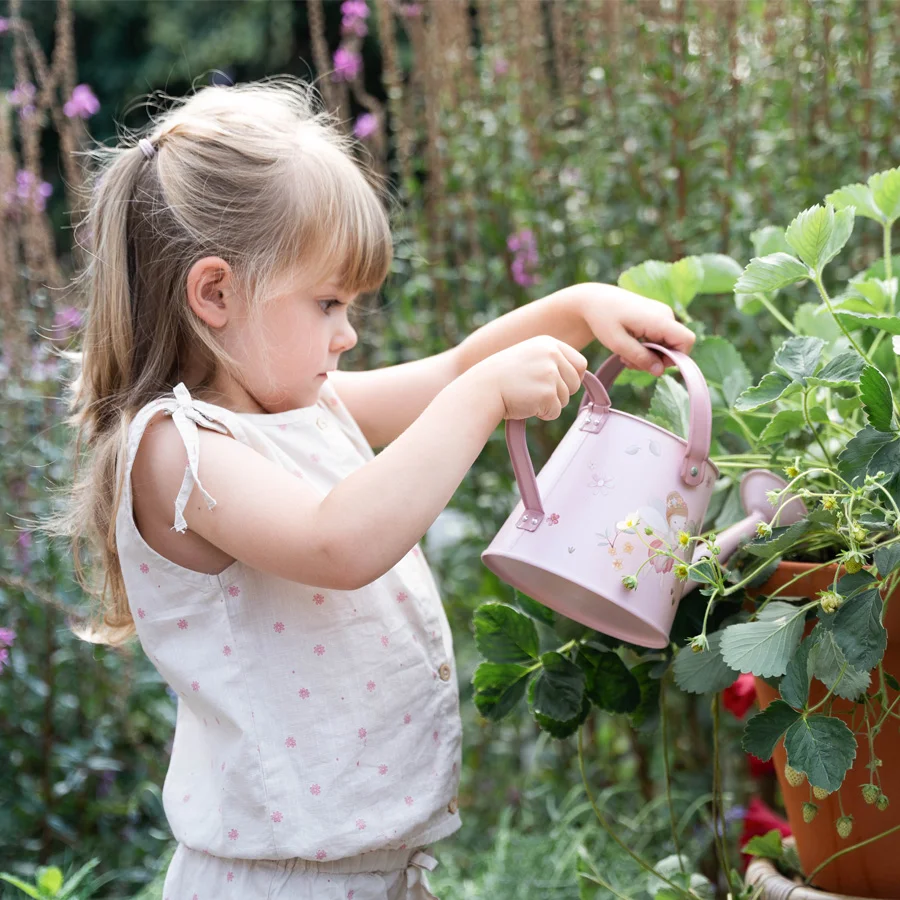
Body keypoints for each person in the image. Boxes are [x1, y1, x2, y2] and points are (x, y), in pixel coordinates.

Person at [48, 76, 695, 899]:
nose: (347, 334)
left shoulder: (304, 409)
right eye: (327, 303)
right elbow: (338, 541)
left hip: (364, 873)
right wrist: (483, 399)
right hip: (276, 884)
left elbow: (455, 368)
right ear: (215, 293)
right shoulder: (177, 451)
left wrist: (581, 307)